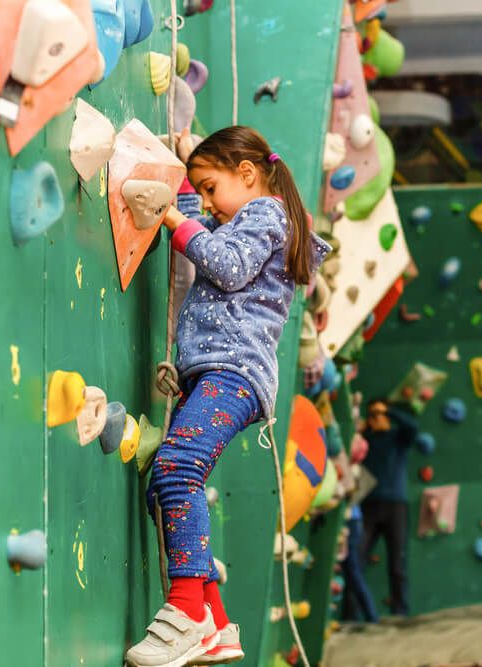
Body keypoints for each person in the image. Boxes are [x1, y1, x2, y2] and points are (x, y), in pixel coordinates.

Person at [125, 126, 330, 667]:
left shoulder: (266, 214)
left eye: (212, 187)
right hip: (217, 375)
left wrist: (173, 217)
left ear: (247, 173)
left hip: (233, 374)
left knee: (174, 471)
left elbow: (228, 265)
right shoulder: (247, 216)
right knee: (163, 487)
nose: (208, 202)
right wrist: (187, 175)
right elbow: (216, 235)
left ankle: (187, 608)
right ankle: (214, 621)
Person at [360, 398, 418, 616]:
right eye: (373, 415)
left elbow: (412, 427)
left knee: (397, 565)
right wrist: (365, 427)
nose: (377, 418)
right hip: (369, 506)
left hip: (396, 507)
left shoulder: (398, 438)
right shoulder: (366, 441)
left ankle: (400, 613)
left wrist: (390, 411)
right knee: (357, 560)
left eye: (380, 414)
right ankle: (352, 614)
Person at [340, 433, 379, 623]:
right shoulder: (352, 469)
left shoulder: (353, 471)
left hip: (351, 523)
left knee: (353, 571)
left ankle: (371, 616)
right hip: (353, 522)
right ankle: (366, 615)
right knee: (351, 571)